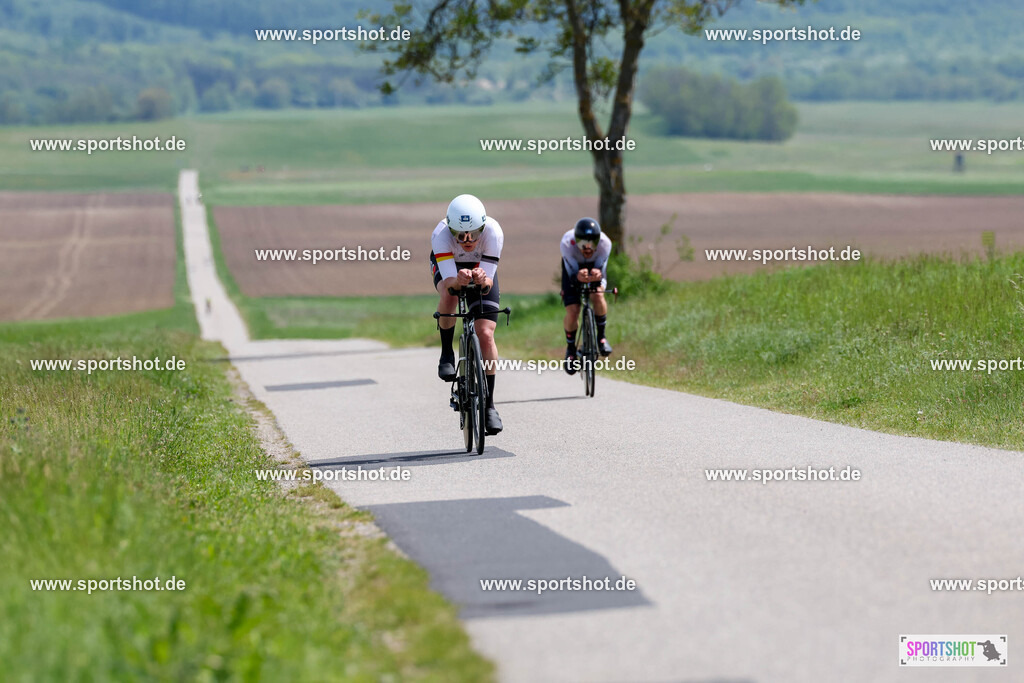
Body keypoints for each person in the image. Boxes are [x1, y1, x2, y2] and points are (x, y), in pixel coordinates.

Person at [430, 194, 505, 434]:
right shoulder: (440, 235)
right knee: (450, 294)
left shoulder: (493, 232)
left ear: (483, 226)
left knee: (485, 333)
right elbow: (450, 283)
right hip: (451, 268)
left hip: (480, 268)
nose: (468, 240)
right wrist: (458, 280)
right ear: (450, 229)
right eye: (460, 235)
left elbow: (488, 284)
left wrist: (483, 278)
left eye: (474, 233)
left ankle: (490, 406)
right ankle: (446, 355)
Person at [560, 217, 613, 374]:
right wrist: (577, 276)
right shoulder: (567, 243)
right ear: (576, 241)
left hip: (595, 267)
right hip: (573, 268)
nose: (588, 248)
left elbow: (602, 272)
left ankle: (601, 338)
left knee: (598, 295)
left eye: (592, 244)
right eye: (583, 244)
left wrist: (596, 275)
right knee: (573, 309)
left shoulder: (605, 243)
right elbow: (570, 272)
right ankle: (571, 350)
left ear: (598, 241)